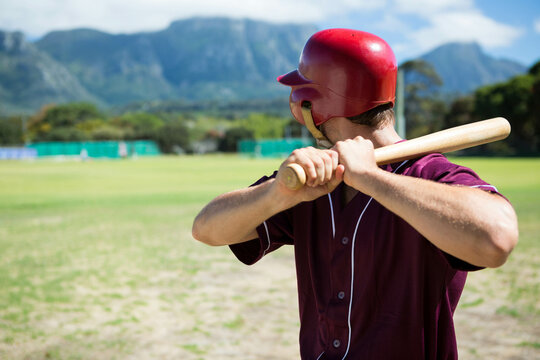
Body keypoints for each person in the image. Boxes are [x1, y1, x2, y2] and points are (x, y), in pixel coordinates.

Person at [192, 29, 518, 359]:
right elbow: (206, 229)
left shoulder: (429, 175)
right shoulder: (313, 177)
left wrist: (371, 178)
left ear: (309, 105)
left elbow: (496, 240)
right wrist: (277, 194)